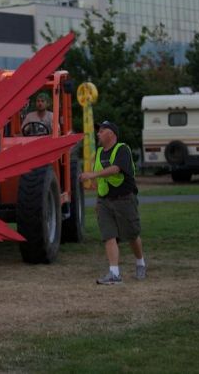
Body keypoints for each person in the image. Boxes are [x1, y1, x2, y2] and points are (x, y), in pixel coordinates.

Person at [79, 121, 146, 285]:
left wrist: (92, 175)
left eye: (102, 131)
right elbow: (101, 181)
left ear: (111, 134)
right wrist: (97, 200)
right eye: (99, 131)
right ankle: (114, 273)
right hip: (104, 201)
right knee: (108, 236)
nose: (98, 134)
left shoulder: (122, 149)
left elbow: (116, 169)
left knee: (131, 234)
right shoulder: (100, 152)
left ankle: (140, 263)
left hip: (124, 199)